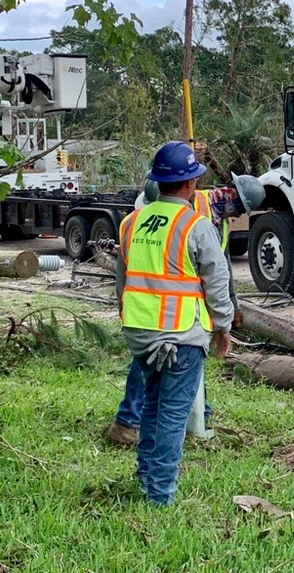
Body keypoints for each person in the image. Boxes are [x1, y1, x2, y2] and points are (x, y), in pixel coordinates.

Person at [112, 141, 237, 506]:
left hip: (139, 332)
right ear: (190, 184)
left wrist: (131, 319)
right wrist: (223, 328)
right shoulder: (195, 226)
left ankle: (146, 478)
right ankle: (160, 495)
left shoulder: (131, 222)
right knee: (172, 414)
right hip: (180, 335)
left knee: (151, 403)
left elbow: (122, 280)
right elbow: (217, 282)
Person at [105, 169, 264, 448]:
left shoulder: (218, 219)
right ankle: (129, 422)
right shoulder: (195, 212)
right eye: (241, 207)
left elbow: (220, 270)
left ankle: (199, 414)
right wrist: (222, 320)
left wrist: (230, 311)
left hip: (178, 314)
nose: (239, 215)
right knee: (156, 378)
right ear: (232, 195)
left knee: (181, 365)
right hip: (162, 311)